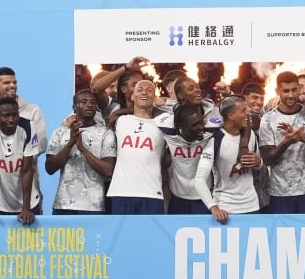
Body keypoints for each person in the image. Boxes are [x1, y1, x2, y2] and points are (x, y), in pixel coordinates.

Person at [259, 70, 305, 213]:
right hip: (280, 193)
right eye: (286, 91)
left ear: (298, 89)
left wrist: (301, 137)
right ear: (277, 91)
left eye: (294, 90)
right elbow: (267, 159)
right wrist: (286, 142)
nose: (291, 95)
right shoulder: (268, 119)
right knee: (282, 236)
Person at [45, 89, 117, 214]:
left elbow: (108, 170)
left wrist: (82, 149)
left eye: (93, 102)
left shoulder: (106, 133)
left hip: (93, 206)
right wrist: (70, 144)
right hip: (63, 205)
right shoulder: (60, 132)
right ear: (74, 107)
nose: (89, 105)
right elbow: (50, 168)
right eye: (84, 102)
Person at [194, 95, 262, 223]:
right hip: (226, 208)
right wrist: (213, 207)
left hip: (252, 205)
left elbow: (259, 165)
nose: (248, 113)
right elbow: (199, 179)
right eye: (243, 110)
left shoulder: (251, 134)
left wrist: (258, 162)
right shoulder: (215, 140)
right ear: (231, 116)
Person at [107, 79, 169, 214]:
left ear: (154, 97)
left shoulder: (163, 124)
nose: (144, 92)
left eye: (149, 90)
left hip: (152, 192)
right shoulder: (120, 120)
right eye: (140, 90)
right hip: (121, 191)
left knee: (150, 235)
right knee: (122, 235)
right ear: (132, 96)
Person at [0, 96, 41, 225]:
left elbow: (27, 169)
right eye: (6, 116)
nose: (11, 120)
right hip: (0, 204)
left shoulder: (28, 126)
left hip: (29, 203)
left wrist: (26, 208)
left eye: (14, 115)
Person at [0, 66, 47, 151]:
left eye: (14, 82)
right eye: (7, 83)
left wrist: (14, 158)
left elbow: (41, 144)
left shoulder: (33, 110)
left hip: (26, 164)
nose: (12, 85)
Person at [163, 104, 209, 214]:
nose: (201, 127)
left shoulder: (210, 132)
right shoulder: (169, 136)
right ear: (181, 126)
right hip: (177, 199)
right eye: (195, 124)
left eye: (201, 122)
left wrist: (243, 146)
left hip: (203, 199)